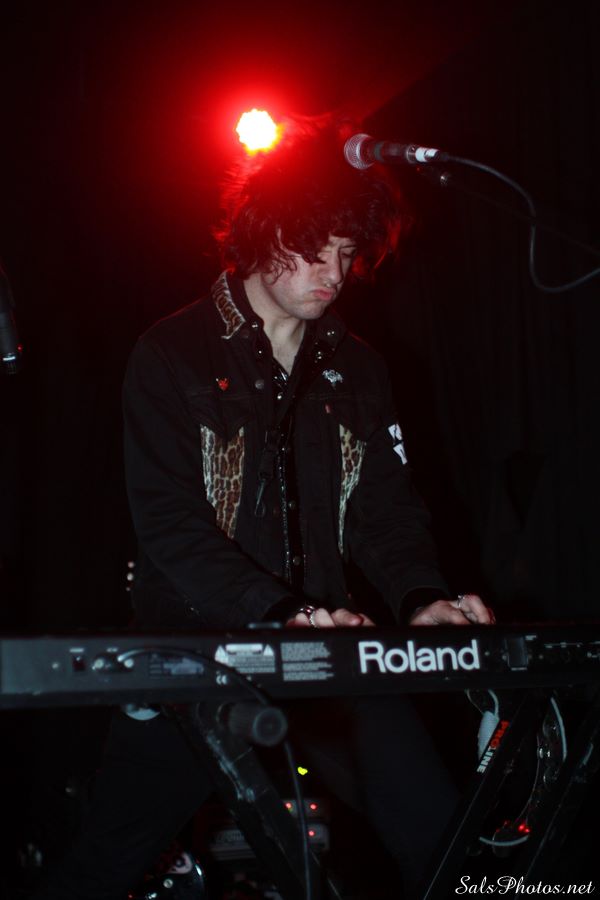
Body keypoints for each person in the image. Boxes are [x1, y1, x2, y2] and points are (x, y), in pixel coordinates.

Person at [31, 116, 493, 900]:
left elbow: (387, 512)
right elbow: (170, 524)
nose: (334, 272)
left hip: (329, 654)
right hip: (197, 657)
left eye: (346, 252)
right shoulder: (171, 353)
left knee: (446, 850)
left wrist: (423, 598)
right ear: (266, 230)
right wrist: (277, 611)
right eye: (316, 247)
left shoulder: (359, 368)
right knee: (104, 866)